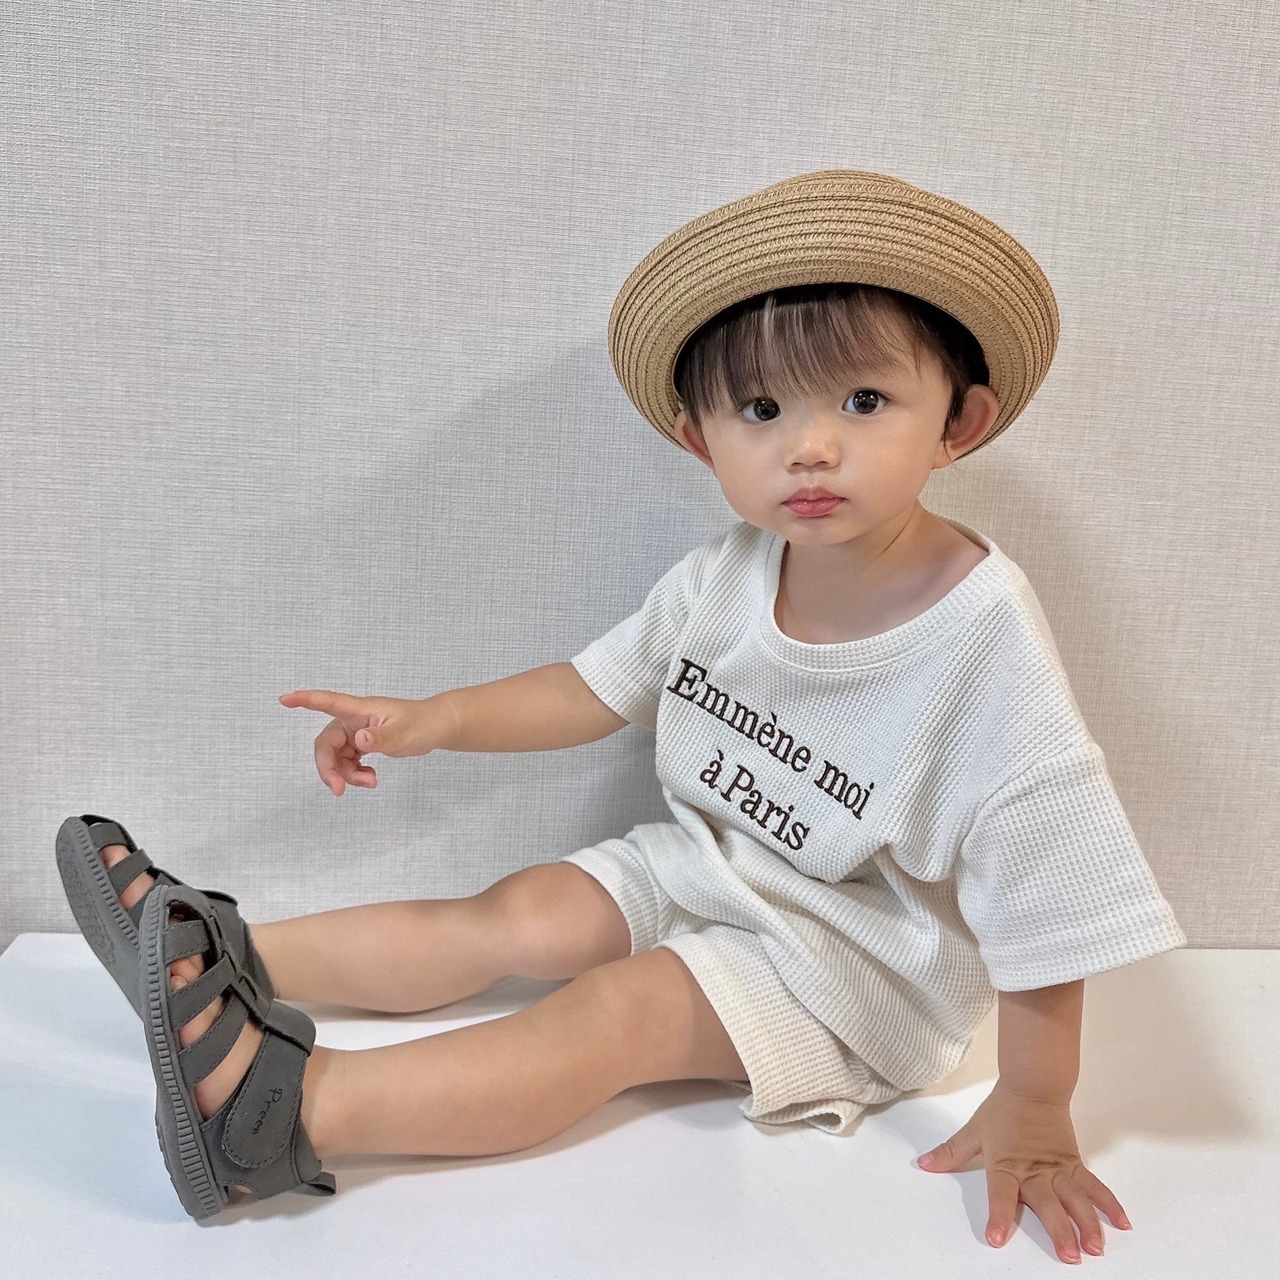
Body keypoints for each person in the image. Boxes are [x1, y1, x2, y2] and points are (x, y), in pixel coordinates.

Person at [57, 170, 1184, 1262]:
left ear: (958, 422)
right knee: (525, 912)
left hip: (856, 968)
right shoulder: (730, 574)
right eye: (761, 409)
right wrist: (436, 717)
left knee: (623, 1009)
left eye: (863, 400)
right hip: (711, 864)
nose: (810, 445)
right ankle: (217, 957)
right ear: (700, 439)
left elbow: (1048, 900)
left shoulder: (983, 641)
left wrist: (1036, 1106)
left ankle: (287, 1113)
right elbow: (593, 688)